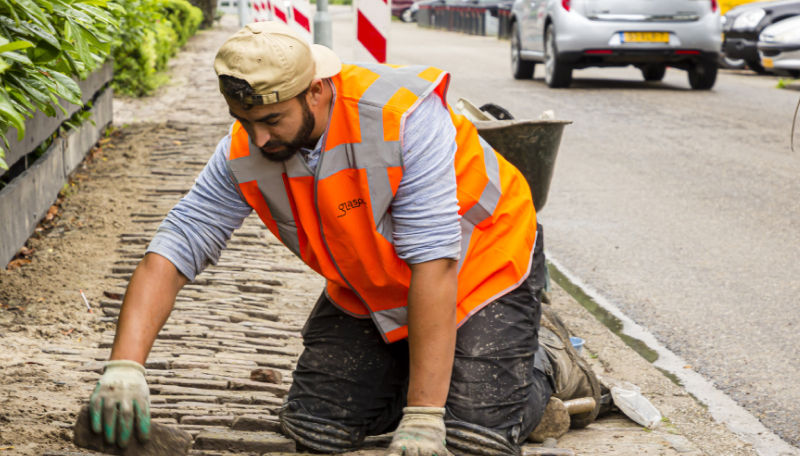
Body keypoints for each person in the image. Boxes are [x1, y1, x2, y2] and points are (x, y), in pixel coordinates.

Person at [87, 21, 600, 456]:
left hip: (481, 264)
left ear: (316, 90)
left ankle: (548, 358)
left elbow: (436, 262)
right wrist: (124, 368)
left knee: (471, 438)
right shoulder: (245, 148)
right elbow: (178, 243)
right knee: (318, 430)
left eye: (271, 120)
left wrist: (424, 416)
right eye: (243, 121)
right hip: (377, 283)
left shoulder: (401, 119)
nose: (258, 138)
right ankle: (430, 366)